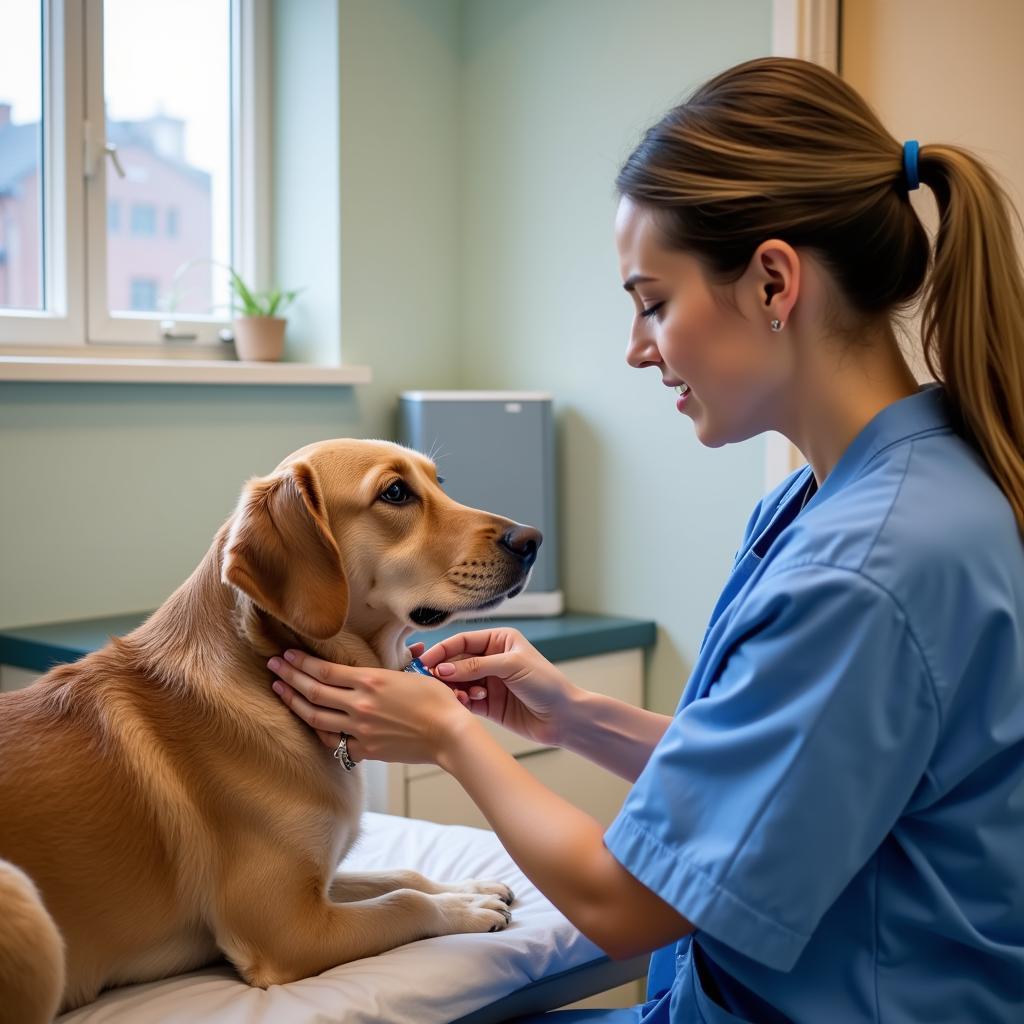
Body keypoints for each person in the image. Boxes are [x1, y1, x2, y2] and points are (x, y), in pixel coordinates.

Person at [266, 57, 1024, 1022]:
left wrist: (448, 735)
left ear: (773, 283)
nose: (638, 346)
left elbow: (625, 906)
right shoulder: (877, 490)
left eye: (653, 301)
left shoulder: (866, 568)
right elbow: (778, 786)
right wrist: (575, 716)